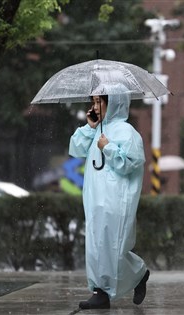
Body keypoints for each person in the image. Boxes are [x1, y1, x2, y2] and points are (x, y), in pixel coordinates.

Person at [69, 84, 149, 309]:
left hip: (117, 198)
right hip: (95, 198)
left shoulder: (127, 132)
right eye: (93, 101)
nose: (95, 106)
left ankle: (135, 273)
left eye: (99, 101)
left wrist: (109, 147)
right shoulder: (95, 129)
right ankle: (100, 290)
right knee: (96, 244)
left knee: (114, 245)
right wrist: (89, 126)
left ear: (113, 102)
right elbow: (75, 148)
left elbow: (130, 163)